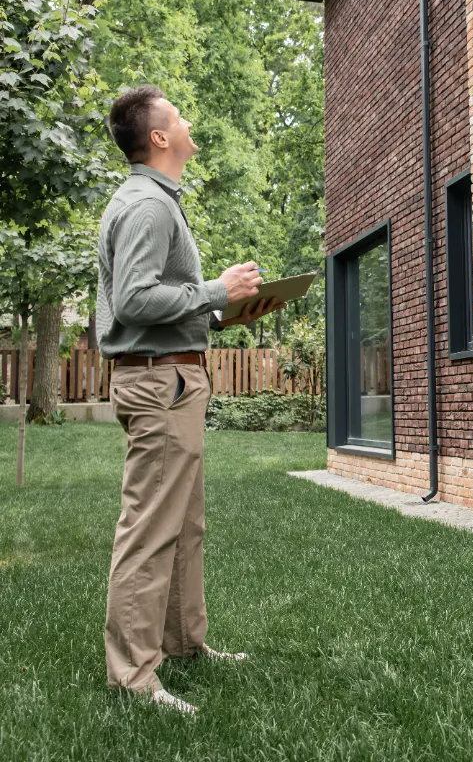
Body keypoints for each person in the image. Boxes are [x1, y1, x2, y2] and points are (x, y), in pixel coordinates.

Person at [96, 84, 284, 714]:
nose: (187, 122)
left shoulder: (157, 203)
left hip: (173, 374)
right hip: (159, 384)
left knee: (185, 525)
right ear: (157, 138)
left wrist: (225, 311)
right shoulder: (148, 206)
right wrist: (213, 289)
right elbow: (132, 302)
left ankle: (180, 643)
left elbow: (158, 304)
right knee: (150, 530)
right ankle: (132, 675)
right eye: (176, 116)